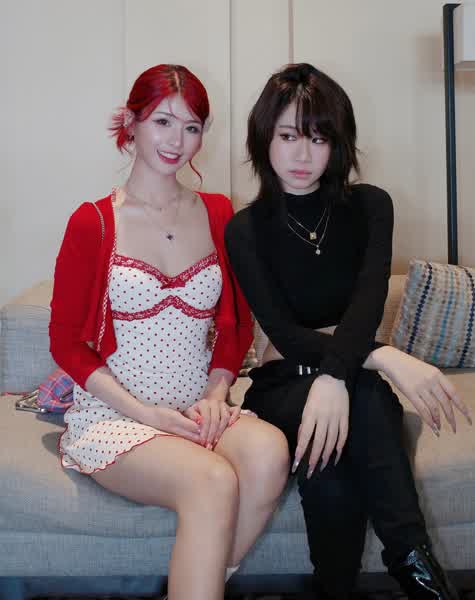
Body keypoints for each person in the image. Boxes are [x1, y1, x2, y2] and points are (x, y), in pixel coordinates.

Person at [224, 63, 472, 600]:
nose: (302, 154)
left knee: (337, 452)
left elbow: (366, 305)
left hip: (348, 376)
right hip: (282, 385)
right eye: (288, 136)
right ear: (264, 139)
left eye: (319, 138)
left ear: (338, 144)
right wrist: (384, 357)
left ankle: (343, 587)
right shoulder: (246, 229)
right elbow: (285, 334)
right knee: (368, 397)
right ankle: (420, 573)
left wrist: (334, 376)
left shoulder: (370, 206)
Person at [49, 64, 290, 600]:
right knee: (212, 480)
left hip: (197, 408)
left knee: (270, 452)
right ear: (131, 123)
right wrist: (147, 415)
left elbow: (236, 324)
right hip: (118, 418)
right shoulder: (94, 222)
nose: (176, 141)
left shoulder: (219, 213)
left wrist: (216, 394)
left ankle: (194, 586)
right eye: (162, 121)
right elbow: (65, 342)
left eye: (191, 126)